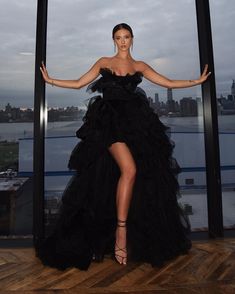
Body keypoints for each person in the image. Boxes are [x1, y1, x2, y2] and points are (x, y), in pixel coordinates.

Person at [36, 23, 211, 270]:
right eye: (118, 37)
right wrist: (50, 79)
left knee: (136, 177)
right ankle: (121, 232)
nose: (122, 41)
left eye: (126, 37)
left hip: (136, 124)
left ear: (132, 39)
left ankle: (123, 232)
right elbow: (78, 83)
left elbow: (167, 81)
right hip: (108, 123)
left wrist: (197, 80)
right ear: (113, 39)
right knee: (129, 170)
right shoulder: (104, 62)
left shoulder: (139, 66)